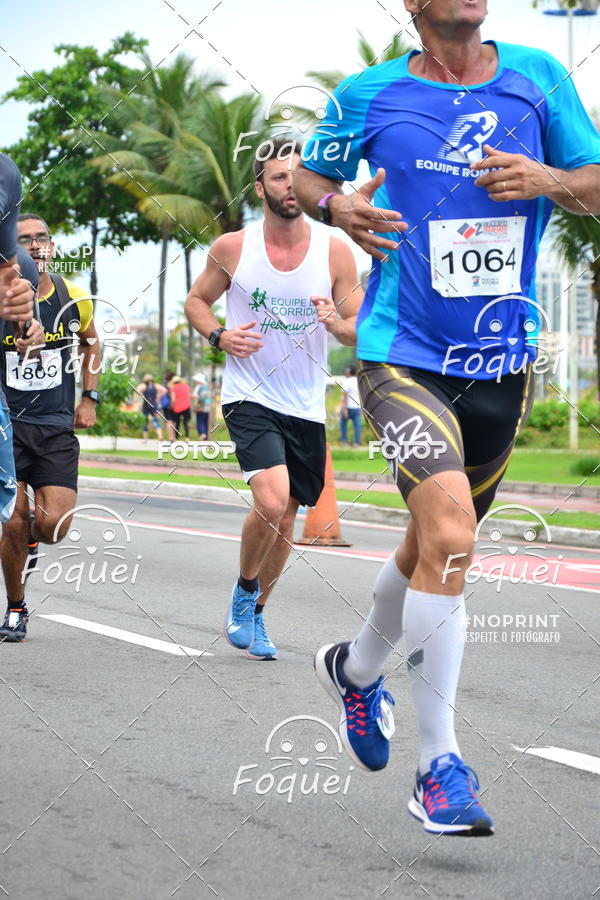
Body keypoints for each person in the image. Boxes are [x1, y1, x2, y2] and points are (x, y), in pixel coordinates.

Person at [294, 0, 600, 836]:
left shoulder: (538, 78)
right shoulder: (367, 93)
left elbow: (596, 184)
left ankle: (355, 672)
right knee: (455, 535)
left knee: (433, 545)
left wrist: (551, 182)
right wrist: (335, 208)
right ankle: (440, 768)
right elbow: (308, 178)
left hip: (501, 362)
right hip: (400, 350)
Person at [186, 139, 361, 661]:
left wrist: (337, 322)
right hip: (249, 394)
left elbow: (357, 328)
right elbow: (197, 300)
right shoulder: (235, 247)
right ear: (260, 188)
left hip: (305, 403)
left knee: (286, 517)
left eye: (296, 177)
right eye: (278, 178)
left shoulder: (335, 250)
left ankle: (258, 612)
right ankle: (243, 592)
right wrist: (220, 337)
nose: (289, 186)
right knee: (269, 499)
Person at [0, 212, 101, 643]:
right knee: (12, 520)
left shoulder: (74, 297)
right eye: (25, 240)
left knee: (53, 525)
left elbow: (92, 342)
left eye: (43, 238)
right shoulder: (3, 299)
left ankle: (33, 542)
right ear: (12, 253)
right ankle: (17, 608)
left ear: (53, 247)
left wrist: (89, 397)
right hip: (7, 425)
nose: (36, 246)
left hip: (56, 425)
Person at [0, 156, 38, 558]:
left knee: (14, 514)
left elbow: (31, 337)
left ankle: (15, 606)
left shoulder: (6, 170)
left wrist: (28, 328)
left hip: (19, 408)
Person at [138, 373, 167, 442]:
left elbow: (138, 390)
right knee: (156, 421)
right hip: (154, 404)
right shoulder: (156, 385)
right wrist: (158, 396)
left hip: (146, 405)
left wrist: (141, 395)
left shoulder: (143, 385)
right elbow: (165, 390)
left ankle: (145, 439)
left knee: (145, 422)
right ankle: (160, 436)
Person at [340, 365, 361, 446]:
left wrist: (344, 409)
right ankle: (357, 443)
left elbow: (345, 396)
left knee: (343, 424)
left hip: (348, 407)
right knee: (357, 426)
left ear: (349, 372)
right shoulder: (358, 381)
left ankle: (344, 441)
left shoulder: (346, 381)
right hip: (357, 407)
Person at [193, 373, 210, 439]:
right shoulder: (207, 387)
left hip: (200, 407)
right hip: (207, 407)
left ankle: (202, 434)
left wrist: (198, 406)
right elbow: (208, 399)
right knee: (206, 422)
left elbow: (197, 397)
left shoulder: (199, 387)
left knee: (200, 421)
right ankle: (206, 435)